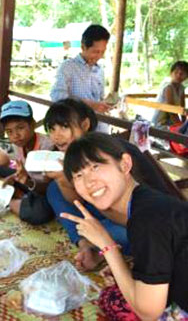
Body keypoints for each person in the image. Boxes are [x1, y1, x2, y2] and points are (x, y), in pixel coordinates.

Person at [61, 132, 188, 321]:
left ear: (125, 164)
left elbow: (148, 312)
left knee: (113, 299)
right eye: (79, 175)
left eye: (95, 166)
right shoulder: (146, 201)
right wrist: (127, 267)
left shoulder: (147, 219)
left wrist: (107, 245)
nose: (89, 182)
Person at [44, 99, 172, 271]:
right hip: (109, 211)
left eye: (64, 127)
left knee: (121, 234)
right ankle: (86, 244)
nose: (57, 135)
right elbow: (75, 201)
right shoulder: (72, 155)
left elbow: (136, 219)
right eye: (52, 129)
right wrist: (65, 183)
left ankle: (98, 243)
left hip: (144, 222)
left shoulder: (110, 152)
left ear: (85, 124)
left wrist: (99, 231)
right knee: (54, 189)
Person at [0, 100, 53, 220]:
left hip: (42, 189)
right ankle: (15, 196)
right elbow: (21, 172)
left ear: (32, 125)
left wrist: (26, 181)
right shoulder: (18, 144)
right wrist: (12, 178)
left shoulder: (48, 147)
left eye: (20, 128)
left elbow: (49, 186)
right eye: (9, 132)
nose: (15, 135)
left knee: (39, 213)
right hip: (26, 182)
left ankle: (8, 199)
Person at [50, 24, 112, 132]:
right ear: (83, 47)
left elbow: (99, 98)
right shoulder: (68, 67)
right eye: (96, 51)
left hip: (99, 128)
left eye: (103, 52)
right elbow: (57, 96)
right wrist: (90, 104)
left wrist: (105, 104)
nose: (99, 56)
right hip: (76, 128)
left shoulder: (99, 70)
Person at [151, 60, 188, 127]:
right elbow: (171, 110)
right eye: (176, 72)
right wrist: (180, 126)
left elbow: (182, 109)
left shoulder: (181, 88)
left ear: (186, 76)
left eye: (182, 73)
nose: (179, 75)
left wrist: (184, 123)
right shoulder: (168, 87)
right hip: (159, 122)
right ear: (171, 73)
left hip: (170, 121)